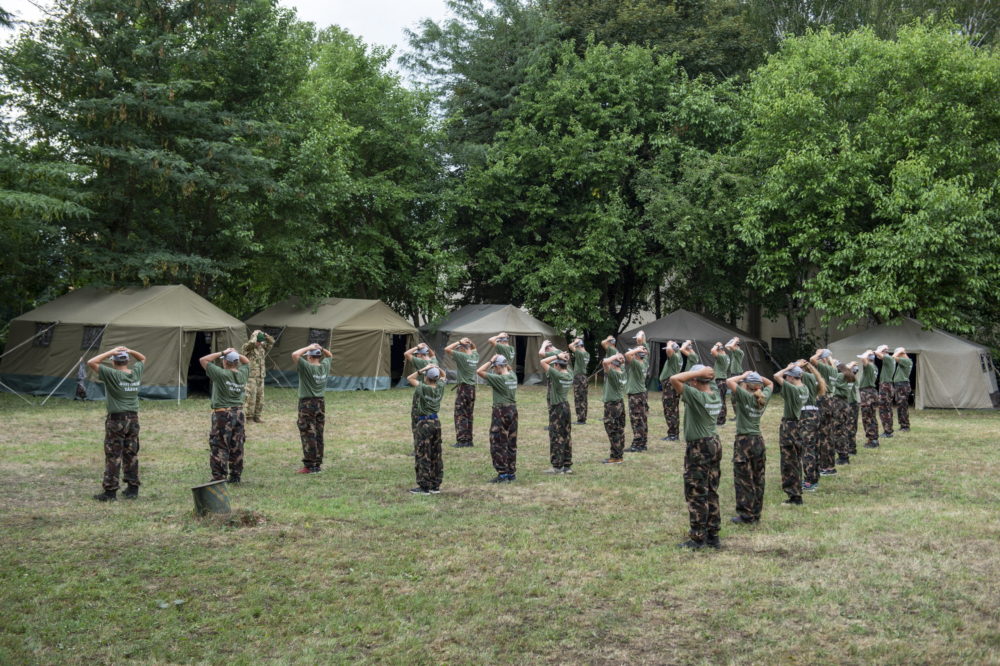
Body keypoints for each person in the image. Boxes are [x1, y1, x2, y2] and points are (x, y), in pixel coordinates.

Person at [670, 364, 723, 549]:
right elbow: (707, 380)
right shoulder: (715, 394)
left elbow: (674, 379)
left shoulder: (696, 395)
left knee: (696, 492)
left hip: (699, 447)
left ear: (694, 380)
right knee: (711, 490)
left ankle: (698, 538)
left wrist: (698, 372)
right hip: (714, 442)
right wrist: (702, 374)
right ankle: (713, 535)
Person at [88, 346, 146, 501]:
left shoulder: (112, 374)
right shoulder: (135, 373)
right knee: (131, 453)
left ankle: (110, 492)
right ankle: (132, 488)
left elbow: (91, 362)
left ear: (113, 361)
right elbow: (142, 358)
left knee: (113, 454)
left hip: (117, 419)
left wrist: (112, 351)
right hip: (133, 419)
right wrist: (130, 350)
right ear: (127, 361)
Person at [726, 370, 773, 524]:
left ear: (746, 385)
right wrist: (759, 377)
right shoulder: (763, 396)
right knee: (758, 477)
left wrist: (744, 375)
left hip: (744, 441)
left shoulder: (745, 396)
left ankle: (746, 515)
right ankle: (756, 513)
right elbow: (770, 383)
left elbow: (729, 381)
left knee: (743, 479)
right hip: (758, 440)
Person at [201, 347, 250, 483]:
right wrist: (235, 354)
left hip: (223, 414)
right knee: (237, 444)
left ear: (225, 362)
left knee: (219, 444)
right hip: (239, 413)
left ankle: (219, 477)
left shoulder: (221, 374)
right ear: (236, 362)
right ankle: (235, 476)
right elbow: (247, 362)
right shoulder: (242, 373)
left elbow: (203, 360)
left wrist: (224, 352)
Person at [291, 342, 332, 474]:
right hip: (320, 403)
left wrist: (309, 347)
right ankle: (317, 463)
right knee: (318, 433)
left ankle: (310, 466)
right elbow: (330, 355)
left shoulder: (306, 367)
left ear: (309, 357)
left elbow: (295, 354)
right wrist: (321, 348)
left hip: (307, 404)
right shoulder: (324, 366)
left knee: (308, 433)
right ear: (319, 357)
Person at [477, 354, 518, 482]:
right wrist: (501, 359)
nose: (494, 370)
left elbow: (479, 371)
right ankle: (511, 472)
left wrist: (491, 360)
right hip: (512, 410)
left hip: (501, 411)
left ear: (499, 366)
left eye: (495, 367)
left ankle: (502, 474)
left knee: (498, 442)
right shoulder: (513, 376)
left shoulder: (499, 379)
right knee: (511, 442)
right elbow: (509, 368)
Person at [407, 363, 446, 494]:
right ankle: (435, 484)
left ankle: (424, 486)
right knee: (436, 454)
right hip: (436, 422)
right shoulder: (440, 387)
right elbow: (444, 375)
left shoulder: (423, 388)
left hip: (424, 423)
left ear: (426, 378)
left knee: (423, 454)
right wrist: (437, 368)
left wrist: (423, 369)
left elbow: (410, 378)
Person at [773, 363, 807, 505]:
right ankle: (797, 490)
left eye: (787, 376)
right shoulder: (804, 388)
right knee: (796, 460)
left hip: (790, 426)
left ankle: (794, 496)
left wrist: (786, 368)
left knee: (789, 462)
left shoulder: (792, 389)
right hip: (798, 425)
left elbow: (776, 376)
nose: (786, 378)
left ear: (792, 377)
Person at [541, 352, 574, 474]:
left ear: (558, 366)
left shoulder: (557, 375)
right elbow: (566, 366)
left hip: (557, 408)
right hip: (566, 406)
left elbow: (542, 362)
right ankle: (567, 465)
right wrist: (564, 359)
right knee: (566, 435)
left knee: (556, 436)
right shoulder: (570, 374)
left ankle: (557, 466)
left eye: (555, 364)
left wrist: (557, 356)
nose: (554, 366)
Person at [445, 337, 479, 447]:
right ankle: (469, 440)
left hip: (463, 388)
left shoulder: (462, 356)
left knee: (460, 414)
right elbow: (474, 348)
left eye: (460, 348)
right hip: (472, 389)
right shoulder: (475, 356)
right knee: (469, 414)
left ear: (463, 349)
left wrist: (460, 342)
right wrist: (469, 342)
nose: (458, 350)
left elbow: (447, 349)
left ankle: (462, 441)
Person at [404, 343, 437, 453]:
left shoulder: (422, 362)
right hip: (430, 395)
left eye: (417, 354)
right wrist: (426, 346)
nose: (416, 356)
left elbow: (406, 354)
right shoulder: (434, 361)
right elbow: (432, 354)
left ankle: (419, 448)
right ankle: (430, 445)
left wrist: (418, 347)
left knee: (417, 422)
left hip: (420, 395)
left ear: (420, 355)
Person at [811, 348, 838, 475]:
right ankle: (829, 465)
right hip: (831, 401)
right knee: (828, 434)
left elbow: (812, 360)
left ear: (824, 359)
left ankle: (826, 467)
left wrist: (818, 353)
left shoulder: (825, 368)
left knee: (823, 436)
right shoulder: (833, 369)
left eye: (821, 358)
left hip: (824, 401)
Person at [241, 329, 275, 423]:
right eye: (258, 341)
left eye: (260, 341)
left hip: (260, 375)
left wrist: (266, 335)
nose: (259, 343)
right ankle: (249, 417)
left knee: (260, 397)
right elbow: (251, 343)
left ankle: (257, 416)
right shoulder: (247, 347)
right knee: (251, 397)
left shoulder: (262, 347)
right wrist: (255, 335)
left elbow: (271, 342)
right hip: (251, 376)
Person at [624, 335, 650, 453]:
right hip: (642, 393)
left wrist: (637, 349)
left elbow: (627, 355)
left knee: (636, 419)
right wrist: (641, 347)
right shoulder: (645, 362)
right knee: (643, 419)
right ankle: (643, 443)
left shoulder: (637, 364)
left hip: (636, 395)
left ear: (637, 355)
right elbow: (646, 353)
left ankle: (637, 444)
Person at [601, 352, 628, 464]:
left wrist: (615, 357)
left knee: (613, 431)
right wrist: (620, 359)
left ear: (613, 364)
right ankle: (618, 455)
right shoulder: (623, 372)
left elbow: (604, 362)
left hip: (612, 405)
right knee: (619, 430)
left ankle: (616, 457)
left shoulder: (613, 374)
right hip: (620, 403)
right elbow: (621, 363)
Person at [830, 361, 856, 466]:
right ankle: (845, 454)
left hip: (839, 403)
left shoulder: (841, 375)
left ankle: (843, 457)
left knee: (838, 431)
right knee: (843, 430)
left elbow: (833, 382)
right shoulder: (850, 375)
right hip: (845, 403)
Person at [658, 340, 683, 441]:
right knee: (673, 409)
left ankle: (673, 434)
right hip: (671, 385)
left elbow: (669, 350)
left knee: (669, 410)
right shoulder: (679, 355)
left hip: (669, 386)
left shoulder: (674, 357)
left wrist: (669, 344)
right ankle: (674, 433)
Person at [857, 350, 880, 448]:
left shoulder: (869, 366)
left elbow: (863, 359)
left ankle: (872, 440)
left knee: (867, 417)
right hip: (871, 392)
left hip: (867, 393)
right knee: (872, 416)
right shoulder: (874, 367)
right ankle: (874, 438)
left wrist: (867, 352)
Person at [875, 344, 896, 438]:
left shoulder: (888, 358)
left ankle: (887, 431)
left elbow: (877, 353)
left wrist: (882, 348)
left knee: (884, 409)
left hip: (885, 386)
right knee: (888, 408)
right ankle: (889, 430)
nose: (877, 357)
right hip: (888, 385)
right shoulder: (890, 359)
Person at [892, 347, 913, 432]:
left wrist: (900, 351)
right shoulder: (905, 361)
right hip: (901, 385)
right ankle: (903, 425)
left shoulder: (906, 361)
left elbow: (893, 357)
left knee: (902, 406)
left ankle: (905, 426)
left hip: (902, 385)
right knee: (901, 406)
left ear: (901, 353)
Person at [570, 338, 590, 425]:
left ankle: (580, 419)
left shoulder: (579, 353)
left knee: (578, 398)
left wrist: (575, 342)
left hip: (579, 377)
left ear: (578, 345)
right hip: (584, 377)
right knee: (583, 398)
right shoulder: (587, 354)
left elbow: (570, 346)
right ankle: (583, 417)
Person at [710, 343, 730, 426]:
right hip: (723, 380)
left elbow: (712, 351)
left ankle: (720, 420)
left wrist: (716, 345)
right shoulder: (726, 357)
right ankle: (722, 419)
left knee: (720, 400)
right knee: (722, 400)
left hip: (720, 381)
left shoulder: (722, 357)